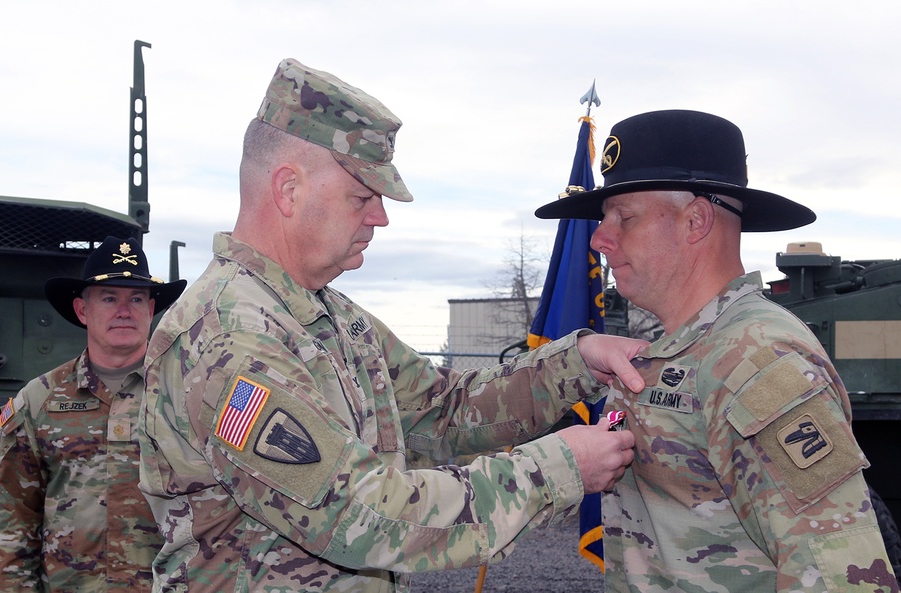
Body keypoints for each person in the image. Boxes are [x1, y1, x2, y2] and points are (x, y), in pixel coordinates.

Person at [138, 58, 648, 593]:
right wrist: (558, 468)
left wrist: (575, 362)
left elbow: (444, 411)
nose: (380, 217)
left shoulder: (331, 317)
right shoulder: (228, 337)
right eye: (362, 197)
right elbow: (360, 515)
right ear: (288, 190)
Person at [535, 109, 900, 592]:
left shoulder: (757, 360)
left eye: (623, 217)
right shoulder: (675, 352)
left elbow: (843, 576)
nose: (600, 240)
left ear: (696, 220)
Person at [0, 236, 187, 592]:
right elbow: (14, 527)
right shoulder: (38, 402)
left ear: (151, 309)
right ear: (83, 311)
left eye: (136, 299)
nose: (124, 310)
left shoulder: (188, 395)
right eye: (110, 298)